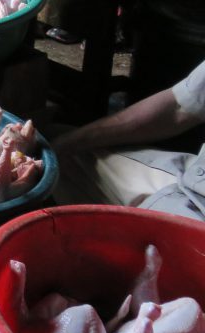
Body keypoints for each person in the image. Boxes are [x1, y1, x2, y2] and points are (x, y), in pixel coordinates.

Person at [54, 60, 205, 222]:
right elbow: (179, 107)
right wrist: (66, 143)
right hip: (192, 179)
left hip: (193, 221)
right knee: (56, 148)